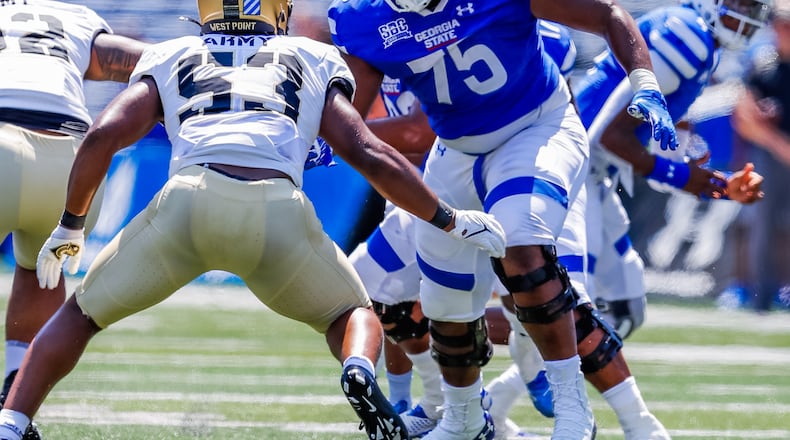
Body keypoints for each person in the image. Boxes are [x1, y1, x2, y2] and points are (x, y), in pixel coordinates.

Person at [0, 1, 510, 440]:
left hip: (187, 204)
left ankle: (12, 422)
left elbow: (104, 134)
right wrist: (446, 219)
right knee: (353, 315)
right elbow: (368, 153)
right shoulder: (311, 55)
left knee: (80, 316)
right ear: (279, 10)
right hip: (276, 208)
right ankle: (356, 367)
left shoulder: (174, 52)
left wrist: (70, 224)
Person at [329, 0, 680, 438]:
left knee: (521, 246)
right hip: (455, 150)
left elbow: (607, 14)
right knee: (444, 299)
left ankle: (574, 408)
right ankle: (463, 419)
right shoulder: (365, 20)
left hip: (535, 128)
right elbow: (352, 117)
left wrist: (643, 79)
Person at [348, 19, 576, 439]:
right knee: (379, 291)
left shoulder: (479, 24)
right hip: (420, 189)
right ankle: (438, 402)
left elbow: (419, 131)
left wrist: (340, 136)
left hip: (493, 179)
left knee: (523, 288)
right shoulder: (375, 26)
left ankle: (544, 378)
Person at [572, 0, 769, 335]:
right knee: (564, 310)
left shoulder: (701, 43)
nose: (745, 16)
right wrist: (682, 175)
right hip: (578, 170)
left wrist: (719, 185)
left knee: (624, 309)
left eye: (752, 8)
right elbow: (608, 135)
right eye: (738, 4)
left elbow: (667, 146)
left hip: (595, 172)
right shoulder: (687, 35)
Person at [0, 1, 147, 438]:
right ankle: (12, 398)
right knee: (39, 271)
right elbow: (148, 62)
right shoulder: (74, 17)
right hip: (72, 159)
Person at [731, 0, 790, 312]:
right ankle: (761, 296)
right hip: (769, 154)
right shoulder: (763, 65)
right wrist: (779, 144)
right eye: (780, 24)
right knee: (762, 225)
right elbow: (745, 115)